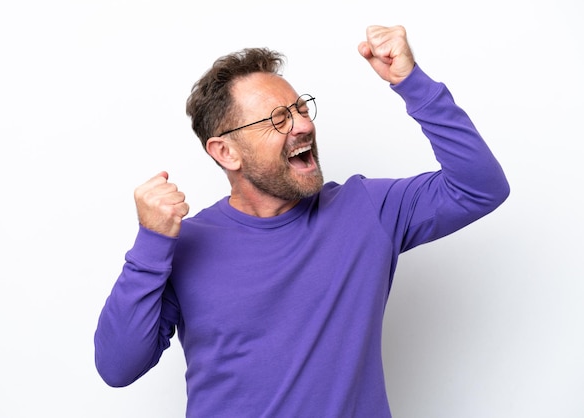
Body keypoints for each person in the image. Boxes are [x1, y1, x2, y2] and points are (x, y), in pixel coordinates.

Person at [94, 25, 509, 417]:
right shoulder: (185, 246)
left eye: (300, 107)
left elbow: (480, 188)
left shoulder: (366, 210)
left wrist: (411, 81)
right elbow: (118, 367)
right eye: (278, 119)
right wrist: (151, 243)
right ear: (226, 153)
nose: (305, 124)